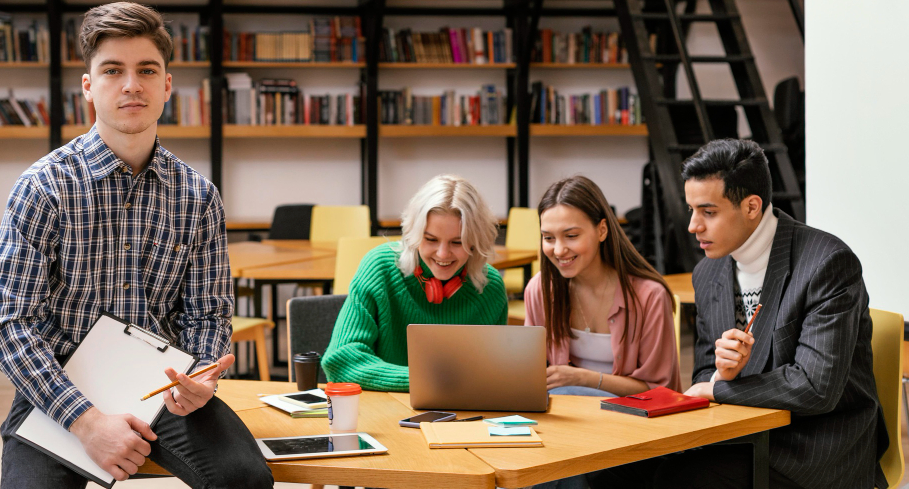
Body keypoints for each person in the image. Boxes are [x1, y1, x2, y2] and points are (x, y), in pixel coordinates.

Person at [0, 2, 274, 489]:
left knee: (246, 478)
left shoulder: (198, 195)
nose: (131, 85)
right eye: (112, 70)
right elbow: (10, 326)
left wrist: (201, 376)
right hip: (58, 382)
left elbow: (206, 313)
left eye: (146, 70)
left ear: (166, 85)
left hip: (162, 383)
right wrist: (86, 421)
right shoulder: (43, 186)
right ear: (89, 86)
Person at [590, 139, 888, 489]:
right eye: (691, 210)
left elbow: (815, 387)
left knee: (684, 480)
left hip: (814, 448)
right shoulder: (708, 273)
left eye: (708, 212)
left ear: (751, 206)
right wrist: (724, 373)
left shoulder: (827, 262)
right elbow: (705, 374)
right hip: (737, 433)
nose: (693, 226)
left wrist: (719, 389)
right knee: (610, 467)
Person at [322, 174, 508, 391]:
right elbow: (339, 361)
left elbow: (495, 374)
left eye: (457, 242)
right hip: (385, 410)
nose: (443, 253)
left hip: (463, 415)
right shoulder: (379, 268)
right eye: (430, 240)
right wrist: (428, 380)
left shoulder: (491, 287)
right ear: (413, 234)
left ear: (476, 241)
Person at [525, 175, 680, 399]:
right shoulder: (540, 289)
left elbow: (658, 389)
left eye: (571, 236)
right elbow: (530, 374)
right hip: (570, 418)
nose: (558, 250)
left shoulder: (650, 296)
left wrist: (583, 378)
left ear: (602, 230)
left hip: (636, 421)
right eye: (548, 238)